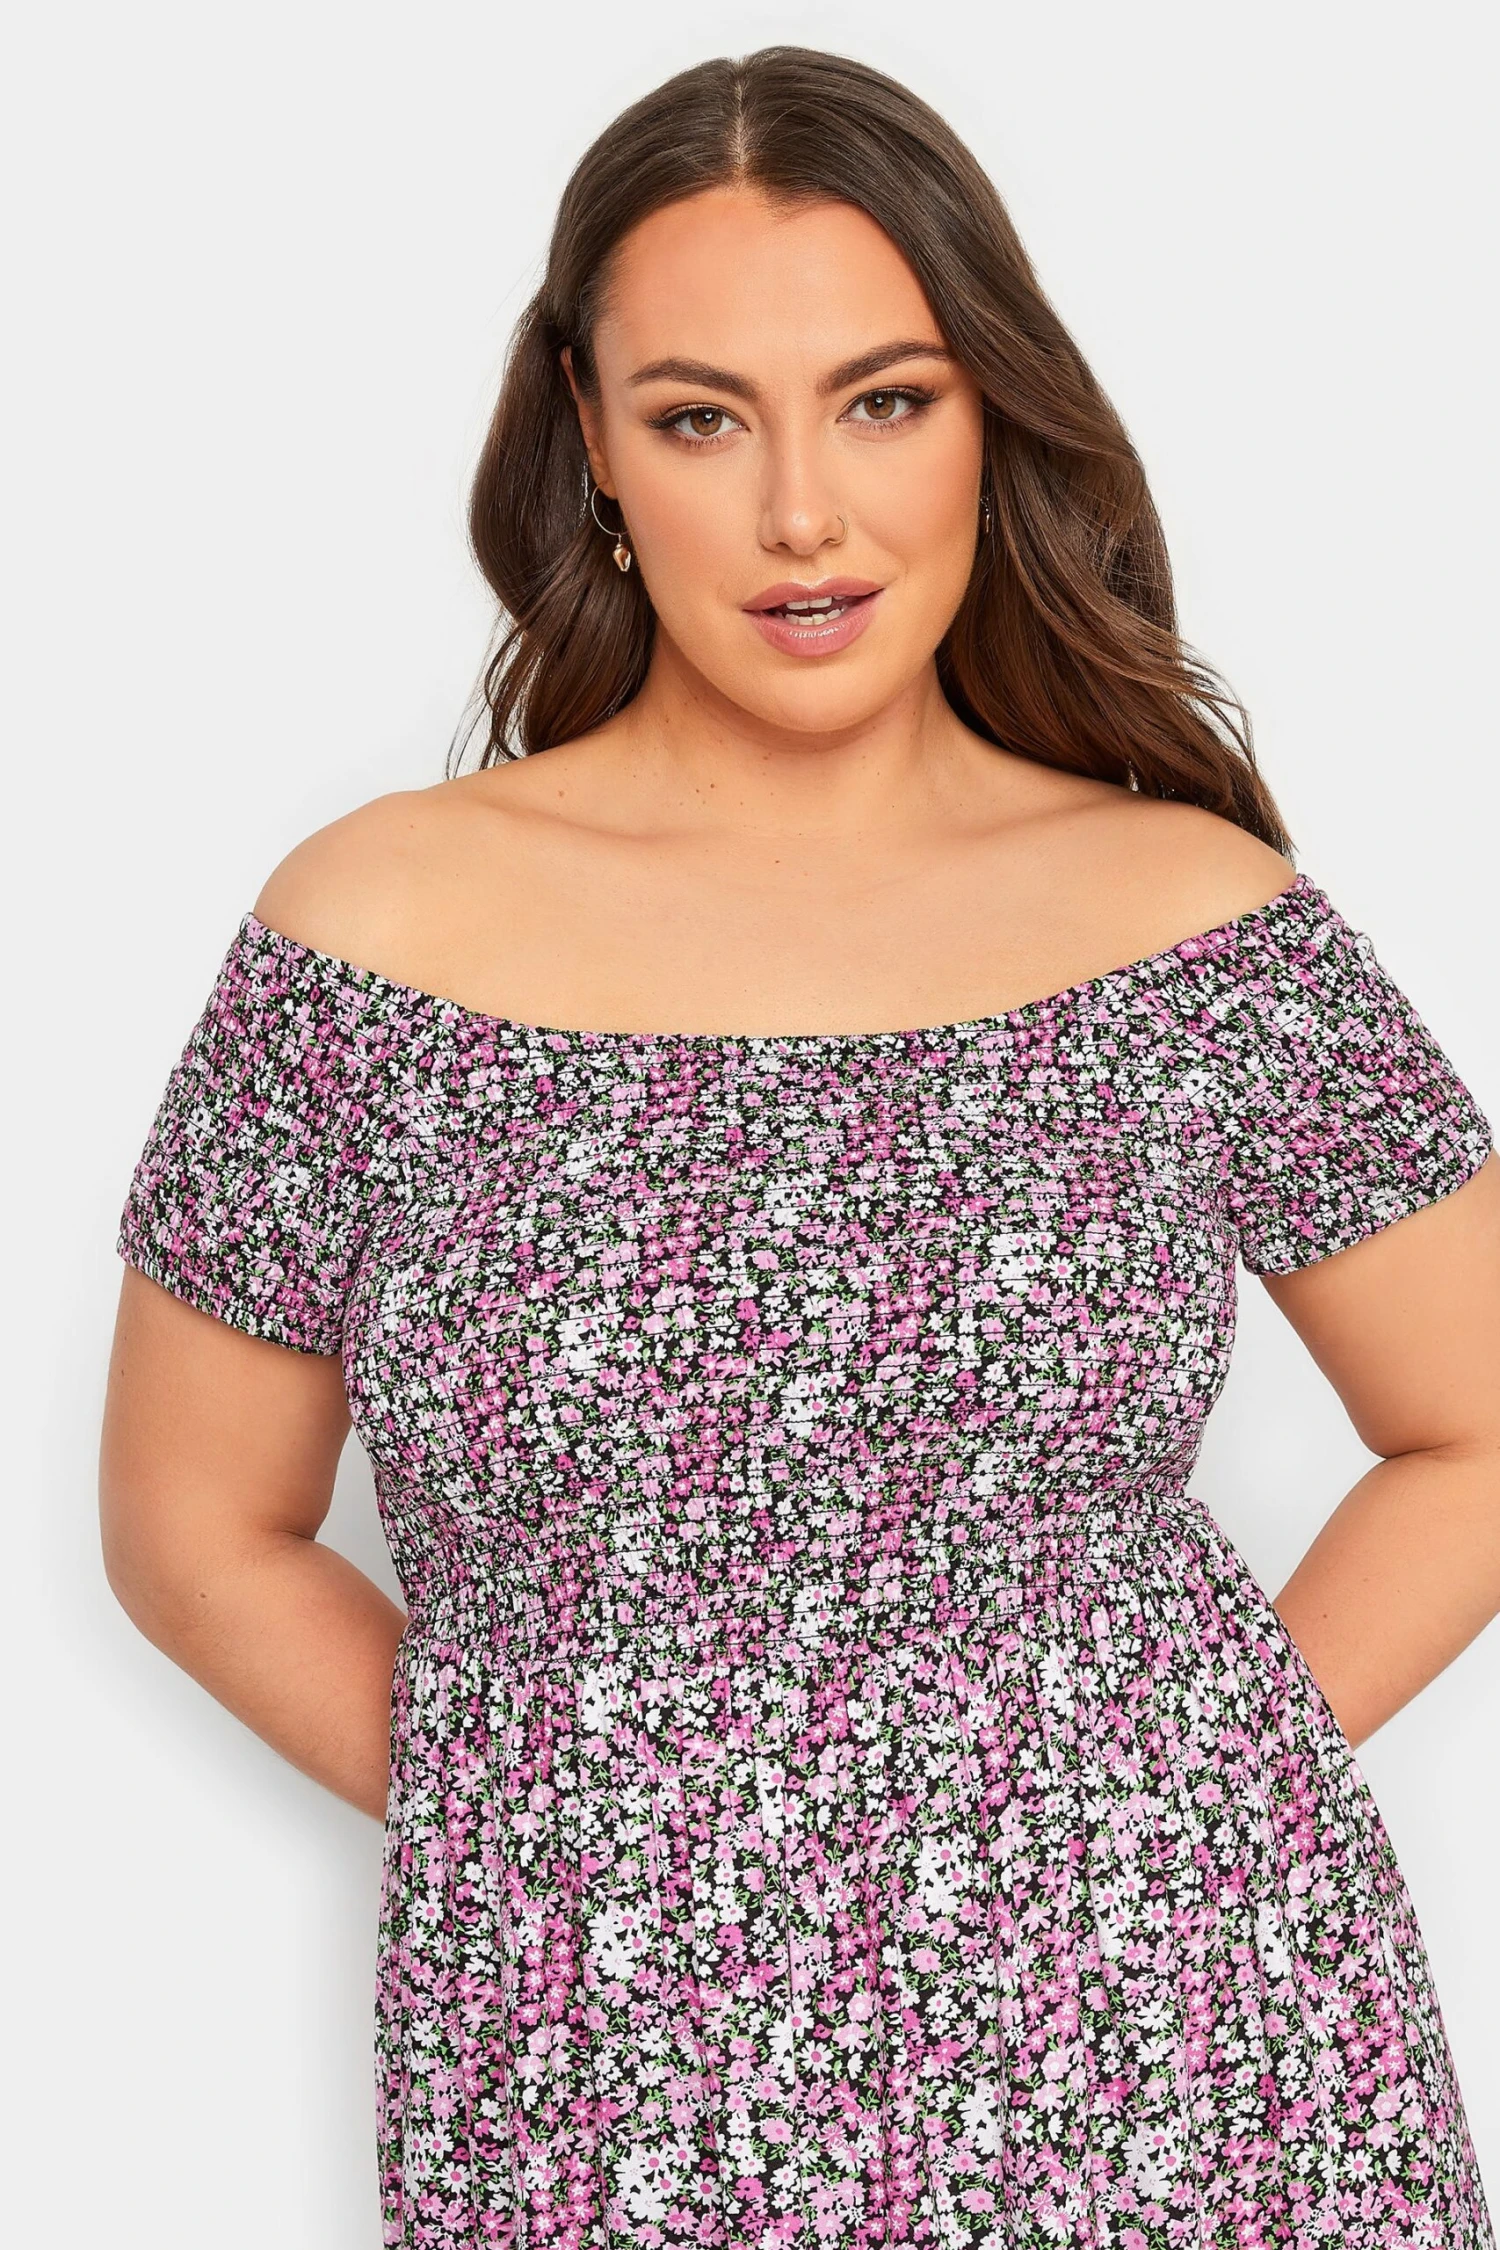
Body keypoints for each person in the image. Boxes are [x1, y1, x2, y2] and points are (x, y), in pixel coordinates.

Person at [100, 43, 1500, 2250]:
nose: (801, 518)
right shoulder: (369, 931)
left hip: (1194, 2043)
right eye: (699, 418)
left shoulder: (1191, 919)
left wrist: (1146, 1791)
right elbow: (193, 1530)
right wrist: (566, 1837)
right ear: (588, 437)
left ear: (990, 414)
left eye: (883, 401)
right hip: (610, 2058)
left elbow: (1480, 1425)